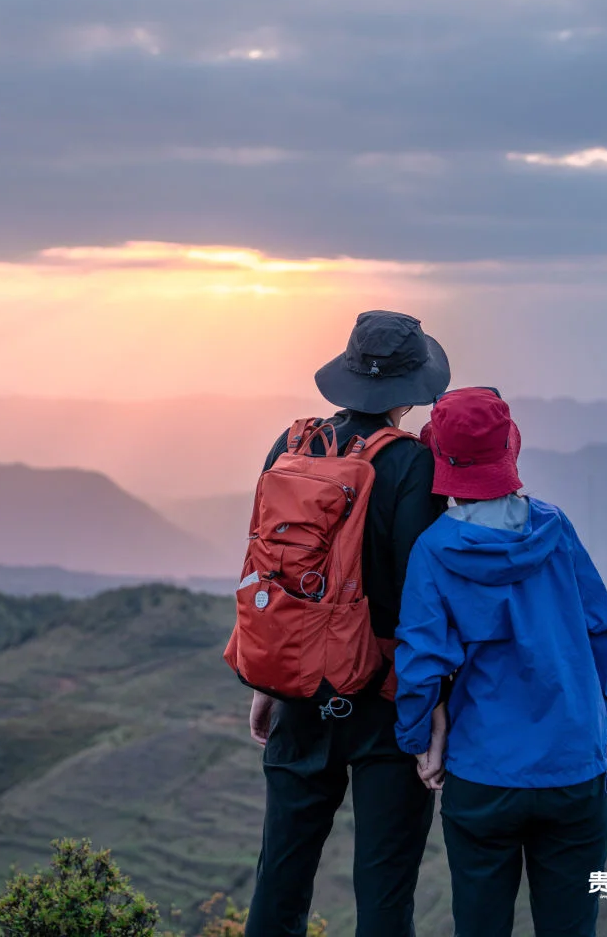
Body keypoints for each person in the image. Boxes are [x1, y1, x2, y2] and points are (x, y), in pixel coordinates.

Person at [244, 310, 452, 937]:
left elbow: (275, 575)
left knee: (280, 872)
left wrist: (269, 681)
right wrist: (433, 703)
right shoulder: (414, 466)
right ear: (411, 391)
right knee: (385, 888)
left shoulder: (292, 447)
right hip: (386, 699)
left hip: (303, 691)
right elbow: (422, 596)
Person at [395, 387, 607, 937]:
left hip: (484, 773)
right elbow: (602, 634)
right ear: (508, 453)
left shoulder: (434, 549)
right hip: (575, 766)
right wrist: (599, 721)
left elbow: (422, 661)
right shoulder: (556, 528)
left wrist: (419, 740)